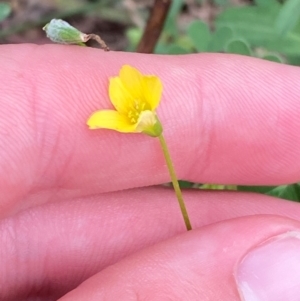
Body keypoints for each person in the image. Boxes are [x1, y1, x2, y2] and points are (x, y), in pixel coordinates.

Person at [1, 44, 300, 301]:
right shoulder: (134, 117)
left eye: (144, 112)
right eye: (140, 115)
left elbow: (137, 88)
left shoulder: (150, 101)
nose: (141, 115)